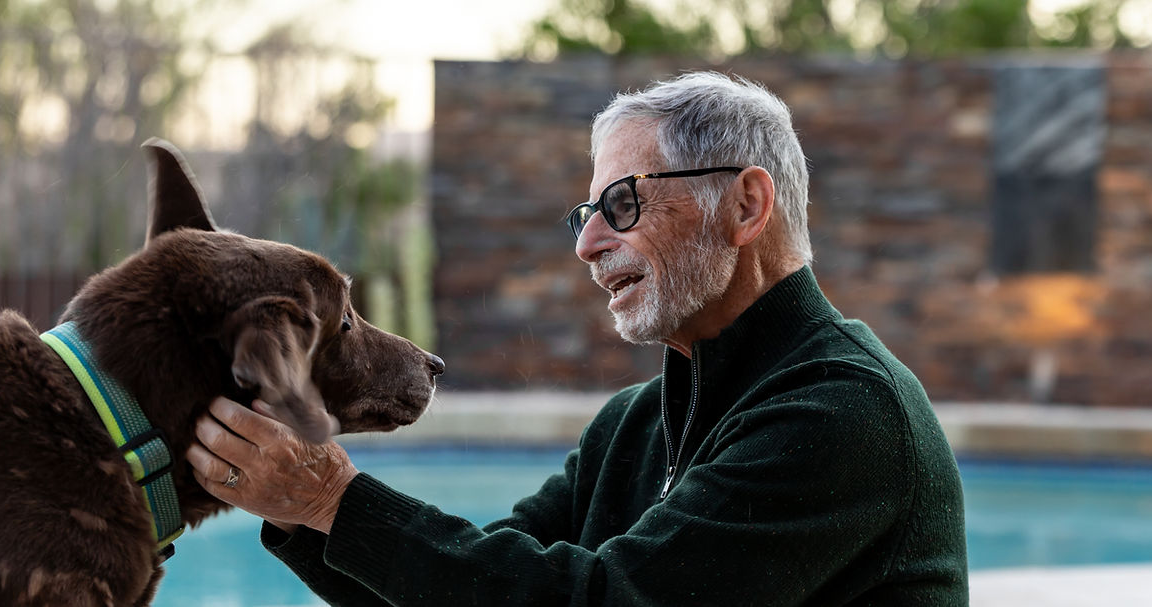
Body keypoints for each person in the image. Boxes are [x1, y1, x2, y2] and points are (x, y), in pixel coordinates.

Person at [186, 71, 968, 605]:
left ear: (744, 206)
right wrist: (297, 505)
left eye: (621, 203)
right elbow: (463, 585)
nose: (587, 244)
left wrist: (331, 498)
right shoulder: (631, 425)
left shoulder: (844, 414)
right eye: (585, 214)